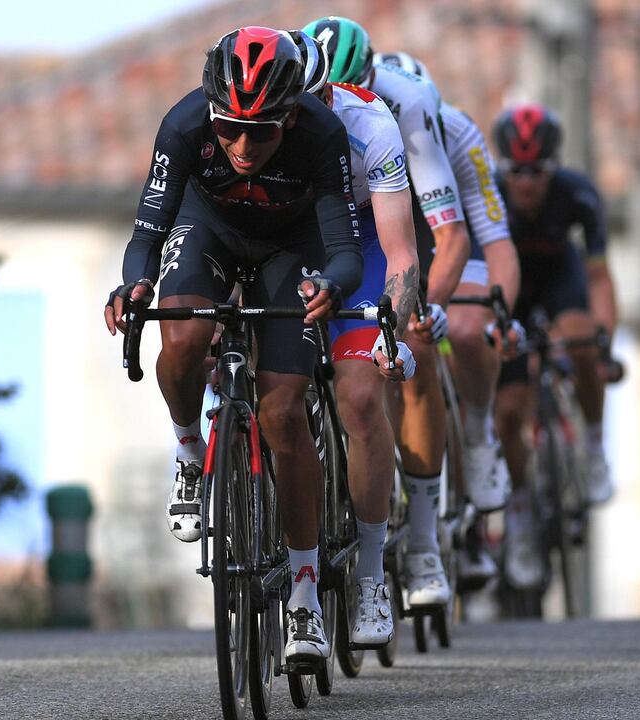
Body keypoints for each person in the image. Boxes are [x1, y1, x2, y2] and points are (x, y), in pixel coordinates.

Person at [103, 26, 364, 663]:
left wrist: (331, 285)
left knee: (283, 414)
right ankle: (189, 449)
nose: (243, 147)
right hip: (208, 231)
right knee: (183, 332)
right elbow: (148, 230)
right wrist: (134, 284)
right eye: (229, 129)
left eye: (263, 132)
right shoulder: (183, 125)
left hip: (290, 247)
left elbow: (344, 249)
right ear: (212, 113)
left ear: (292, 116)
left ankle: (304, 593)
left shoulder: (322, 133)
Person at [303, 16, 494, 614]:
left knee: (414, 336)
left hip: (390, 218)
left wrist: (425, 309)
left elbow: (450, 234)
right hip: (314, 222)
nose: (336, 108)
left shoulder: (403, 106)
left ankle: (423, 545)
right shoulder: (293, 104)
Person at [289, 31, 418, 648]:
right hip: (290, 233)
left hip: (361, 238)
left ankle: (370, 571)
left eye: (316, 102)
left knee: (362, 396)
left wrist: (391, 330)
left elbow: (399, 252)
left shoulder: (372, 124)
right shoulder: (259, 126)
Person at [374, 51, 522, 587]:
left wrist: (495, 313)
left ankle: (478, 432)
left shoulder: (456, 134)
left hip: (450, 239)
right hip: (392, 233)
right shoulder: (363, 129)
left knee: (461, 330)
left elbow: (495, 240)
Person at [489, 103, 619, 589]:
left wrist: (603, 347)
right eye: (516, 171)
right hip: (510, 290)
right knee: (508, 411)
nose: (526, 184)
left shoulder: (578, 194)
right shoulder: (489, 197)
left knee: (583, 342)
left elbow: (599, 278)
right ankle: (520, 513)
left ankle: (593, 447)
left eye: (538, 172)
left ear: (554, 167)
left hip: (560, 279)